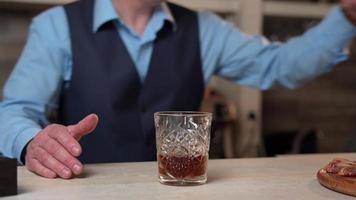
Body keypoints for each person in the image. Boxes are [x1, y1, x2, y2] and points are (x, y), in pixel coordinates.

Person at [0, 0, 356, 179]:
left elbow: (281, 67)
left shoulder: (204, 29)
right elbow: (14, 111)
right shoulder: (56, 26)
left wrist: (346, 16)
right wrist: (34, 143)